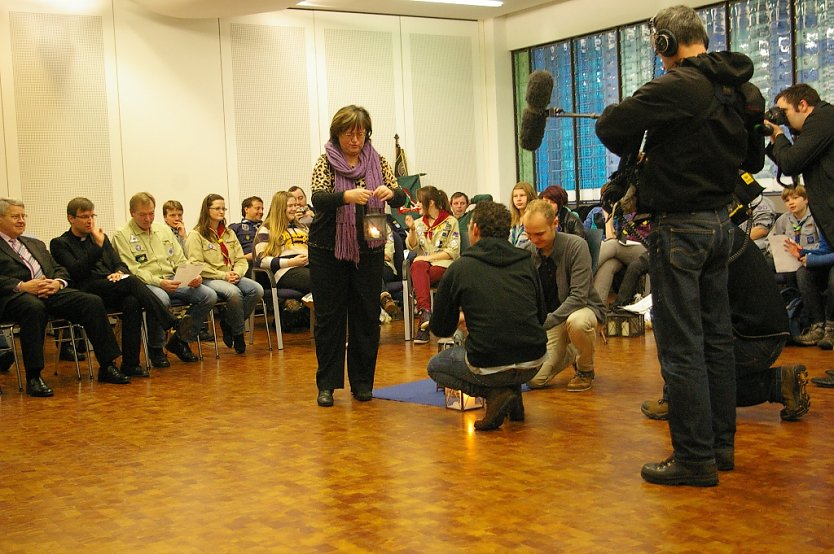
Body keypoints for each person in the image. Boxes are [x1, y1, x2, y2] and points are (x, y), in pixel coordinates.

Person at [595, 5, 765, 486]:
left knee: (681, 346)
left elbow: (610, 127)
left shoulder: (676, 85)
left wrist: (621, 113)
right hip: (720, 226)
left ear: (664, 43)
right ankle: (720, 449)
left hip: (679, 229)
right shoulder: (742, 89)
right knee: (716, 340)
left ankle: (693, 458)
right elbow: (752, 155)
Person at [642, 226, 810, 425]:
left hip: (750, 340)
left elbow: (684, 315)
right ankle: (780, 382)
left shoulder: (697, 240)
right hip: (768, 335)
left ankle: (677, 400)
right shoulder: (722, 231)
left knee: (691, 377)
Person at [308, 105, 406, 407]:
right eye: (349, 133)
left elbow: (400, 194)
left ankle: (363, 384)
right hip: (328, 247)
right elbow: (318, 198)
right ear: (337, 134)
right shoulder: (326, 161)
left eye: (360, 132)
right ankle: (327, 385)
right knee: (329, 318)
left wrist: (393, 194)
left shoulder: (379, 160)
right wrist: (345, 197)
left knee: (365, 316)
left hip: (370, 245)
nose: (355, 138)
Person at [428, 201, 547, 431]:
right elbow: (541, 315)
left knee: (436, 367)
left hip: (488, 362)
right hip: (534, 361)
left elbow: (440, 329)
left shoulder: (460, 268)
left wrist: (463, 319)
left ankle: (495, 393)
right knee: (506, 355)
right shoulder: (527, 262)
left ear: (474, 230)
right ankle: (512, 393)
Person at [0, 198, 130, 396]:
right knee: (33, 308)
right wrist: (23, 286)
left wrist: (58, 282)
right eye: (15, 216)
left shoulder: (34, 243)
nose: (21, 220)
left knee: (92, 301)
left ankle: (107, 365)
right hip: (16, 296)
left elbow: (59, 268)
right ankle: (34, 377)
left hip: (49, 291)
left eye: (23, 216)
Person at [51, 197, 193, 378]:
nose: (90, 221)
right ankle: (172, 322)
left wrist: (118, 272)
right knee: (132, 281)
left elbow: (119, 263)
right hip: (86, 289)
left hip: (111, 285)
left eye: (92, 216)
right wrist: (97, 246)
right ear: (71, 218)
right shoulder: (60, 243)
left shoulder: (101, 239)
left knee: (132, 301)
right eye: (84, 217)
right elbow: (76, 272)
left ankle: (131, 364)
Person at [112, 192, 217, 367]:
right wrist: (160, 282)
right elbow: (132, 270)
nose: (148, 218)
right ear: (132, 213)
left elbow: (179, 258)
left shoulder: (163, 229)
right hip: (147, 283)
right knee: (161, 298)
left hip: (173, 278)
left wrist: (191, 275)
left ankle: (180, 340)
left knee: (208, 295)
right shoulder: (121, 235)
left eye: (151, 213)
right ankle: (156, 349)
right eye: (142, 214)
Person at [522, 200, 604, 392]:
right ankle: (569, 353)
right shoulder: (527, 252)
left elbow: (578, 297)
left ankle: (585, 370)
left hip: (582, 310)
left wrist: (544, 323)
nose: (534, 240)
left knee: (578, 322)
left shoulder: (576, 246)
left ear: (555, 224)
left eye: (539, 234)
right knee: (534, 381)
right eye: (529, 234)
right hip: (552, 319)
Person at [186, 194, 264, 354]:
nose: (222, 212)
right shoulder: (197, 235)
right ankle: (238, 334)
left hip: (231, 275)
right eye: (217, 208)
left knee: (257, 290)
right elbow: (196, 265)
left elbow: (241, 259)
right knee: (234, 293)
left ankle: (229, 323)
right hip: (210, 278)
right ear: (207, 210)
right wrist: (223, 276)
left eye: (223, 208)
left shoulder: (228, 233)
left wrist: (237, 273)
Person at [766, 83, 834, 252]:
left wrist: (779, 134)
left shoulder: (823, 118)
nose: (782, 119)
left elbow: (790, 163)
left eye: (784, 112)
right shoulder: (817, 128)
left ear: (802, 105)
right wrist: (775, 139)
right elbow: (791, 164)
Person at [405, 185, 461, 344]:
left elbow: (453, 251)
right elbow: (412, 247)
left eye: (419, 201)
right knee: (417, 266)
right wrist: (412, 230)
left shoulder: (451, 221)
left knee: (418, 267)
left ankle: (423, 326)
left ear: (430, 203)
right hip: (423, 268)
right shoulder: (418, 223)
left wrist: (427, 259)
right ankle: (426, 314)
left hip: (444, 266)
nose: (416, 205)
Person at [254, 191, 311, 294]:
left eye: (295, 205)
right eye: (290, 206)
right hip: (285, 271)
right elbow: (261, 261)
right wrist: (291, 262)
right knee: (319, 280)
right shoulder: (266, 229)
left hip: (308, 266)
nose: (294, 209)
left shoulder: (303, 227)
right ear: (280, 208)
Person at [785, 231, 834, 351]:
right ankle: (818, 326)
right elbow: (826, 249)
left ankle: (831, 329)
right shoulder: (826, 218)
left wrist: (812, 260)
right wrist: (803, 252)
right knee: (804, 273)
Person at [228, 196, 264, 262]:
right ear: (246, 209)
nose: (261, 211)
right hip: (247, 265)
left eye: (262, 209)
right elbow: (229, 253)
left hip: (269, 262)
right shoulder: (235, 228)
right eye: (257, 208)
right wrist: (245, 258)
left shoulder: (268, 227)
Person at [509, 182, 536, 248]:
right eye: (515, 196)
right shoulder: (510, 219)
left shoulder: (535, 218)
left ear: (530, 196)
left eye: (522, 195)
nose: (518, 199)